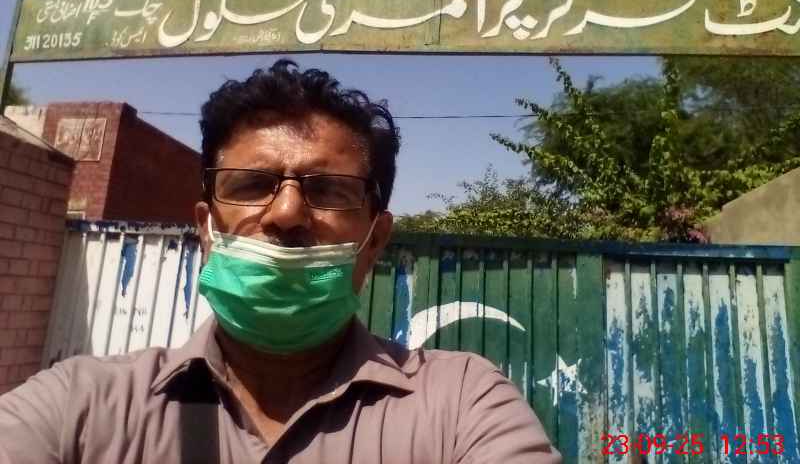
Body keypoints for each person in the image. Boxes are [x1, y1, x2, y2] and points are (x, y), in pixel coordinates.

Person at [0, 59, 560, 463]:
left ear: (375, 240)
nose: (287, 213)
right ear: (205, 230)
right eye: (252, 184)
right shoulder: (78, 407)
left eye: (329, 190)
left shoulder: (461, 405)